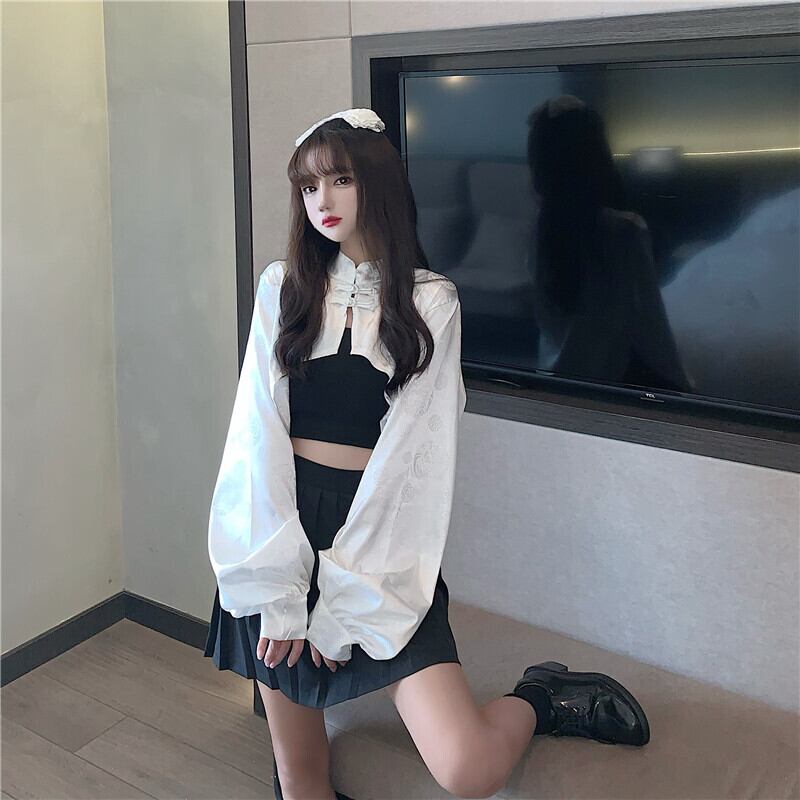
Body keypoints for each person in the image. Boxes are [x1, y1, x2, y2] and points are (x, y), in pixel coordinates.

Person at [204, 108, 650, 800]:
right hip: (278, 531)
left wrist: (346, 601)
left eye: (340, 180)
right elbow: (253, 437)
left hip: (379, 536)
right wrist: (280, 590)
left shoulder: (430, 301)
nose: (322, 201)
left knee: (467, 769)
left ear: (376, 182)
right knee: (299, 776)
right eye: (309, 186)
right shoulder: (281, 287)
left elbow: (414, 463)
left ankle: (541, 697)